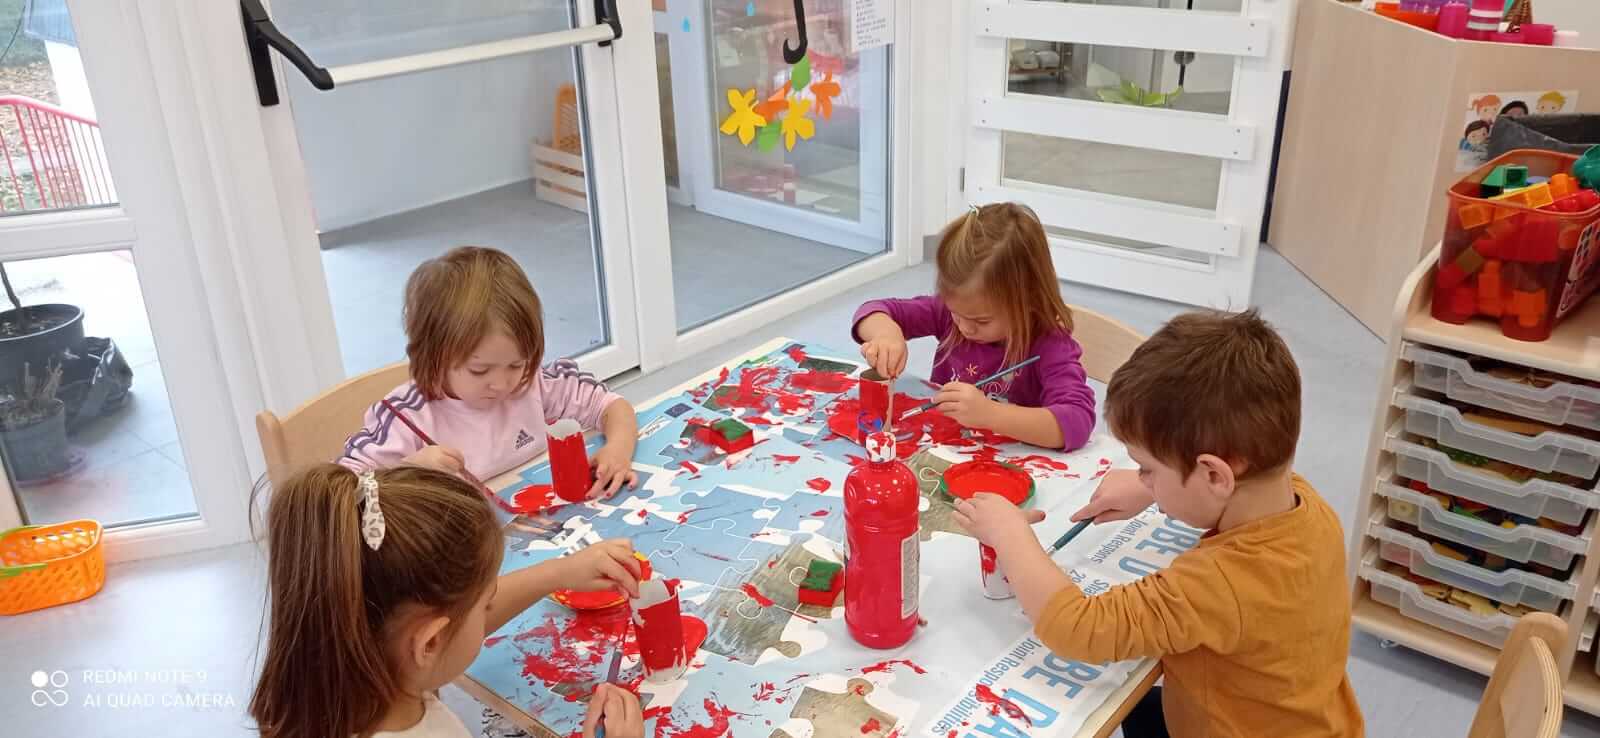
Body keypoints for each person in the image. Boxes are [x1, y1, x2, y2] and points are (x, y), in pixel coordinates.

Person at [953, 310, 1363, 738]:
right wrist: (1150, 487)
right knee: (1138, 704)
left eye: (1147, 468)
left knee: (1112, 703)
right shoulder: (1305, 505)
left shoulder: (1220, 582)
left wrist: (1010, 534)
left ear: (1214, 475)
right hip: (1306, 721)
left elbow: (1079, 628)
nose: (1143, 476)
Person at [250, 464, 644, 738]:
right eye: (486, 603)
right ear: (430, 643)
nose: (490, 606)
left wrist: (557, 573)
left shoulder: (340, 678)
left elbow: (452, 624)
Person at [340, 246, 638, 498]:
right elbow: (343, 491)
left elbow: (610, 405)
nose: (502, 384)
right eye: (479, 370)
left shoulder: (532, 383)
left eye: (516, 364)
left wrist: (618, 448)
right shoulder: (406, 417)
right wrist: (408, 472)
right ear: (434, 357)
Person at [852, 203, 1095, 449]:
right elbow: (872, 311)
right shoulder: (947, 314)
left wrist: (991, 414)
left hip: (1007, 463)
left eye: (982, 321)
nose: (965, 328)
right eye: (957, 313)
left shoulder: (1051, 344)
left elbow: (1077, 423)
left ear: (1028, 301)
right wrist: (887, 334)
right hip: (946, 449)